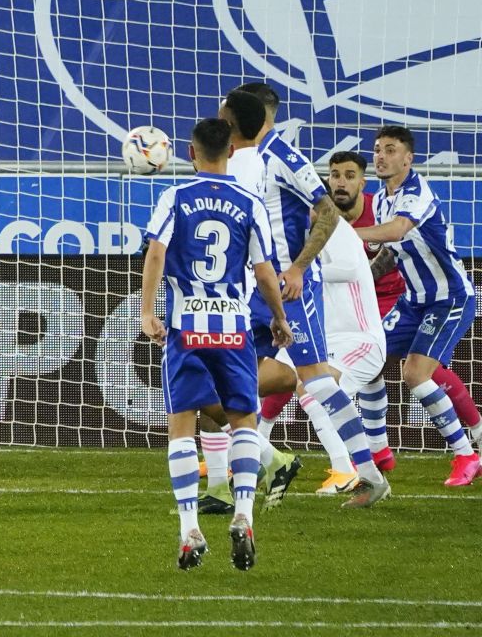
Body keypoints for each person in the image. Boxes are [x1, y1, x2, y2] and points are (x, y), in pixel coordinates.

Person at [142, 117, 292, 571]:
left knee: (182, 423)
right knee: (244, 420)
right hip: (234, 328)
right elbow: (265, 272)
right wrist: (280, 319)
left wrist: (148, 311)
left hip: (187, 327)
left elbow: (155, 251)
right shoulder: (249, 202)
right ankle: (244, 515)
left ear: (190, 153)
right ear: (230, 151)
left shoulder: (176, 196)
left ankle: (190, 526)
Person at [234, 82, 389, 509]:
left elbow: (326, 209)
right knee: (227, 368)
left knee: (318, 379)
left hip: (291, 288)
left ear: (254, 116)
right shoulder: (246, 161)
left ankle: (367, 472)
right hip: (257, 287)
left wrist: (299, 267)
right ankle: (265, 461)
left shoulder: (283, 156)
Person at [328, 149, 482, 468]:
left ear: (361, 180)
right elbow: (389, 254)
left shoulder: (401, 199)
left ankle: (471, 444)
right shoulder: (365, 203)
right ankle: (379, 450)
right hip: (400, 300)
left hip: (436, 298)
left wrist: (347, 237)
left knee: (422, 372)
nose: (342, 182)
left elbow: (397, 232)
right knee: (372, 360)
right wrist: (363, 277)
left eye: (350, 175)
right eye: (336, 175)